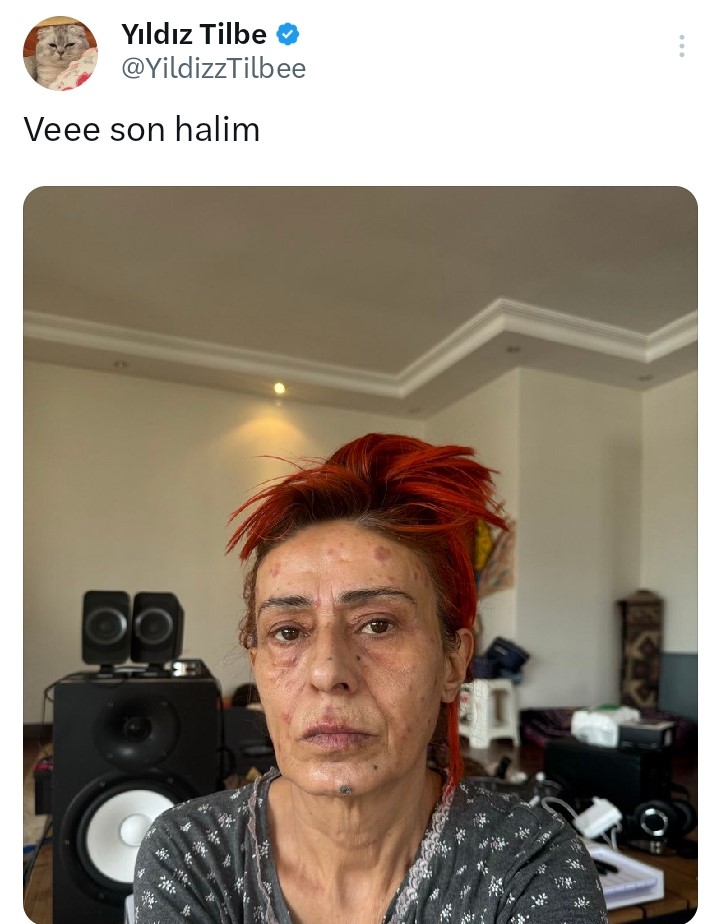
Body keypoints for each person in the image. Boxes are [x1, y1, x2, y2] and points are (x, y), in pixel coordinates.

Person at [134, 433, 607, 922]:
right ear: (258, 667)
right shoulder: (190, 856)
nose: (328, 672)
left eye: (378, 625)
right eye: (288, 631)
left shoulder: (531, 864)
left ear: (453, 663)